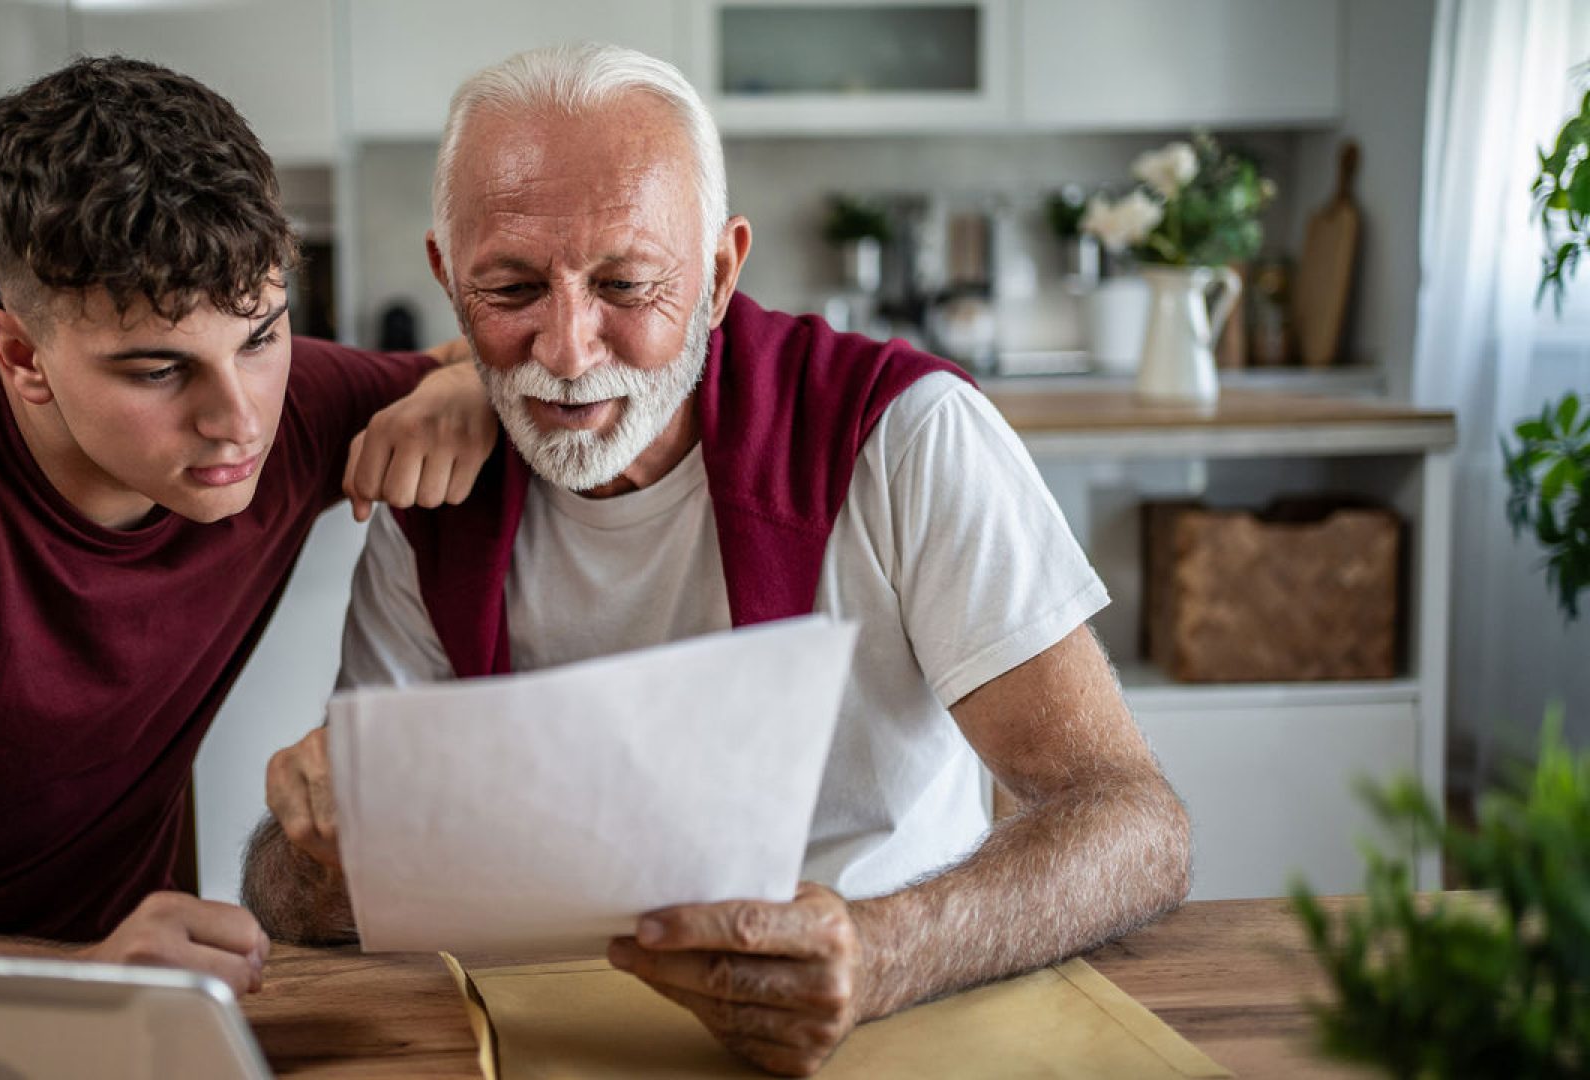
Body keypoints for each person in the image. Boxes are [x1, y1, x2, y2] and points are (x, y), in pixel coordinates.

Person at [247, 43, 1192, 1075]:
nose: (566, 350)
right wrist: (319, 837)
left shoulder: (905, 436)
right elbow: (310, 901)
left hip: (899, 1022)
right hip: (540, 1035)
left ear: (720, 275)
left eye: (627, 284)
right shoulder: (432, 496)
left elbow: (1135, 822)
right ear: (445, 277)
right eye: (510, 288)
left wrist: (887, 950)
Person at [0, 57, 496, 998]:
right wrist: (72, 980)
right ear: (20, 355)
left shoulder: (287, 410)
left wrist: (461, 384)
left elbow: (468, 355)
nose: (240, 420)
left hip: (151, 1019)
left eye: (261, 334)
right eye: (157, 371)